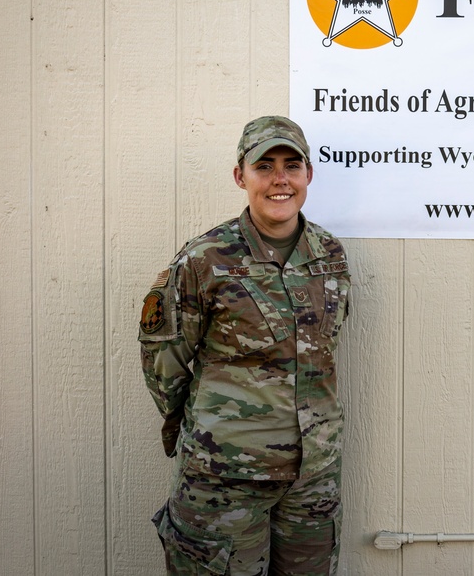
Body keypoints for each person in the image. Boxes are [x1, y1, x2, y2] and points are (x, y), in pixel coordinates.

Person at [139, 116, 351, 575]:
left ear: (308, 175)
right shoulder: (205, 259)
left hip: (312, 477)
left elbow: (325, 348)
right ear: (241, 176)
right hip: (226, 477)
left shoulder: (329, 254)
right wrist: (202, 434)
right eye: (264, 166)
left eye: (291, 166)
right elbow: (164, 362)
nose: (280, 179)